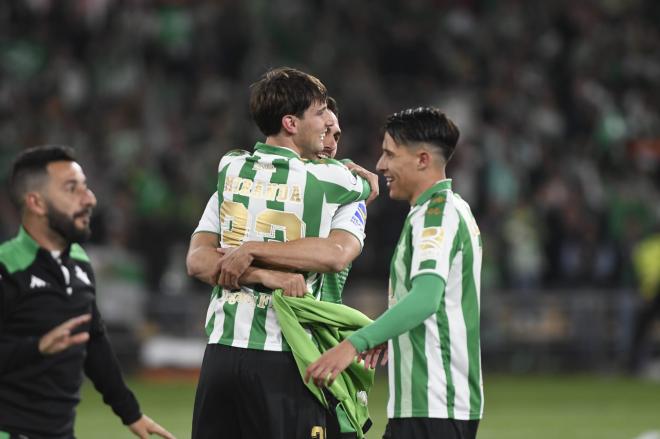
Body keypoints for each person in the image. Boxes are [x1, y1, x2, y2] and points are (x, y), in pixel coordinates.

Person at [187, 67, 372, 439]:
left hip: (220, 354)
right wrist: (267, 275)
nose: (329, 135)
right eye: (321, 118)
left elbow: (200, 259)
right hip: (289, 352)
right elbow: (339, 249)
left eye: (335, 130)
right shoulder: (335, 182)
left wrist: (249, 254)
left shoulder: (231, 170)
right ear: (290, 123)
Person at [306, 107, 484, 439]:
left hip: (434, 406)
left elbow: (426, 298)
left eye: (389, 153)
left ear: (421, 159)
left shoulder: (437, 214)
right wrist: (391, 333)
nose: (380, 165)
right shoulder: (449, 208)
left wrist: (354, 345)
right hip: (429, 405)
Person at [0, 146, 175, 439]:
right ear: (36, 203)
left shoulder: (79, 261)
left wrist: (130, 412)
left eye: (86, 187)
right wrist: (36, 348)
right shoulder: (7, 267)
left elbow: (93, 340)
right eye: (72, 189)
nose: (89, 198)